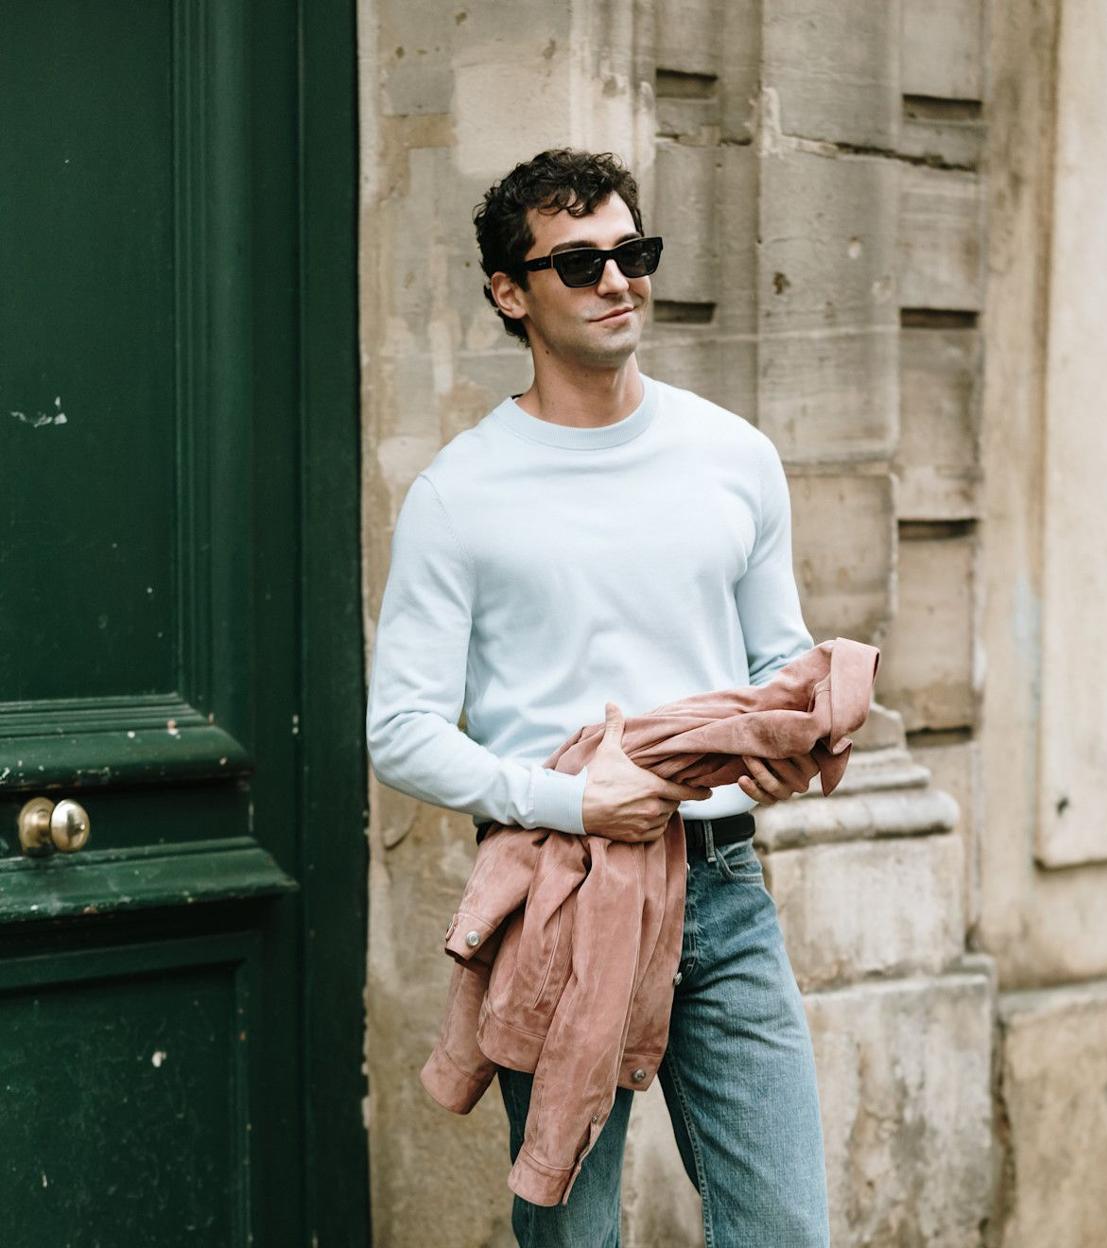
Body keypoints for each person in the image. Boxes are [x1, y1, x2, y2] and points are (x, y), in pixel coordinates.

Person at [366, 147, 832, 1248]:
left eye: (634, 252)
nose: (618, 280)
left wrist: (793, 741)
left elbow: (781, 659)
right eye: (580, 263)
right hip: (560, 891)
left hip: (723, 887)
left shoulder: (733, 455)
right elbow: (400, 729)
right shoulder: (460, 494)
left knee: (784, 1229)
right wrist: (573, 801)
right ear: (510, 293)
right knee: (572, 1235)